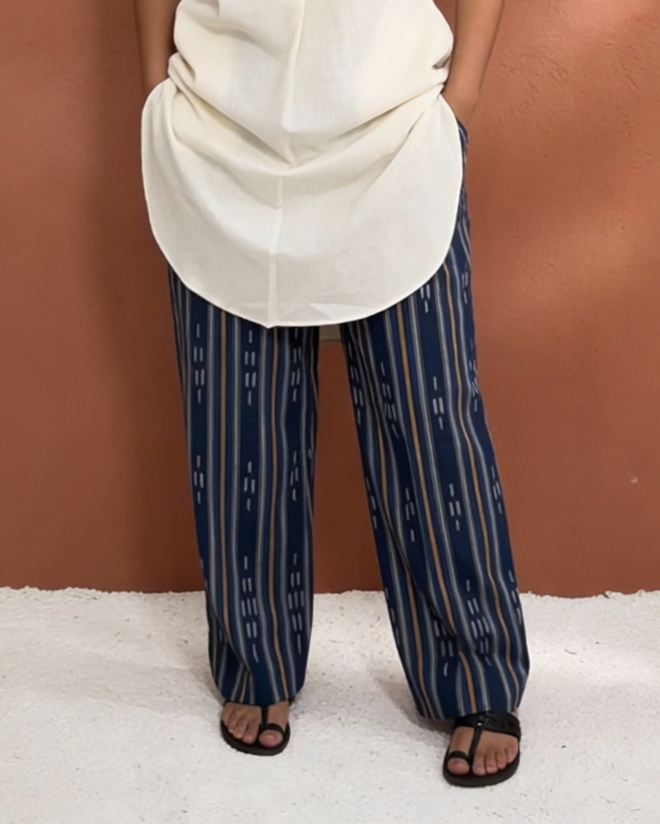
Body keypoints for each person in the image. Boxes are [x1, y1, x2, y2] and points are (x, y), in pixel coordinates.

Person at [135, 0, 529, 787]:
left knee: (429, 416)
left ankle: (476, 671)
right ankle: (257, 657)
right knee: (237, 422)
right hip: (221, 125)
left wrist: (462, 99)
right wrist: (156, 91)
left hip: (391, 123)